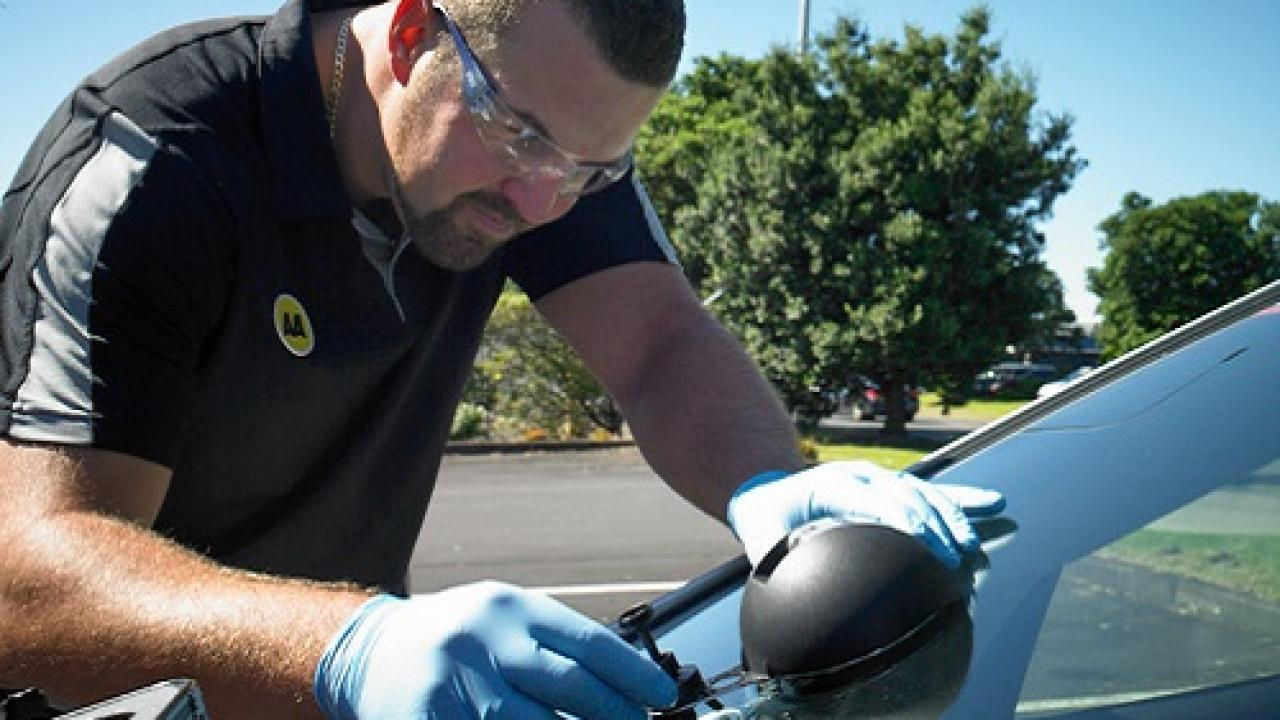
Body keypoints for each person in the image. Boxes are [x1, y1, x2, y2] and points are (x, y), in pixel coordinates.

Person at [0, 0, 1003, 717]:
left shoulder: (554, 146)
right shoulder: (157, 162)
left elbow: (657, 345)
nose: (540, 203)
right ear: (409, 34)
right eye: (516, 137)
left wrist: (766, 483)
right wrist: (346, 646)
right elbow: (29, 581)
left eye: (591, 170)